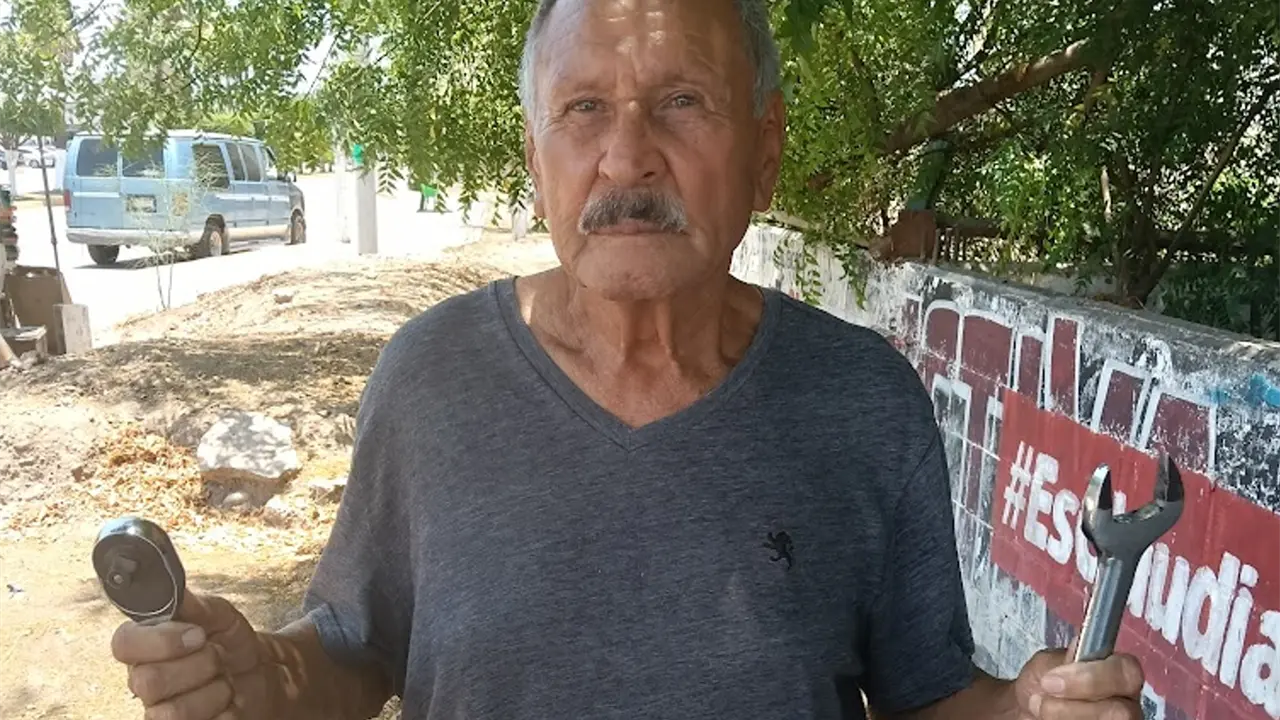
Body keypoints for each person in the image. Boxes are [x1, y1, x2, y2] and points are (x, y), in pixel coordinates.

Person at [109, 0, 1147, 718]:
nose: (626, 156)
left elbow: (923, 697)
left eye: (681, 102)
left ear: (764, 147)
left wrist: (1021, 707)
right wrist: (259, 682)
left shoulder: (861, 398)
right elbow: (353, 650)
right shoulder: (430, 381)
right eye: (583, 110)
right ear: (534, 160)